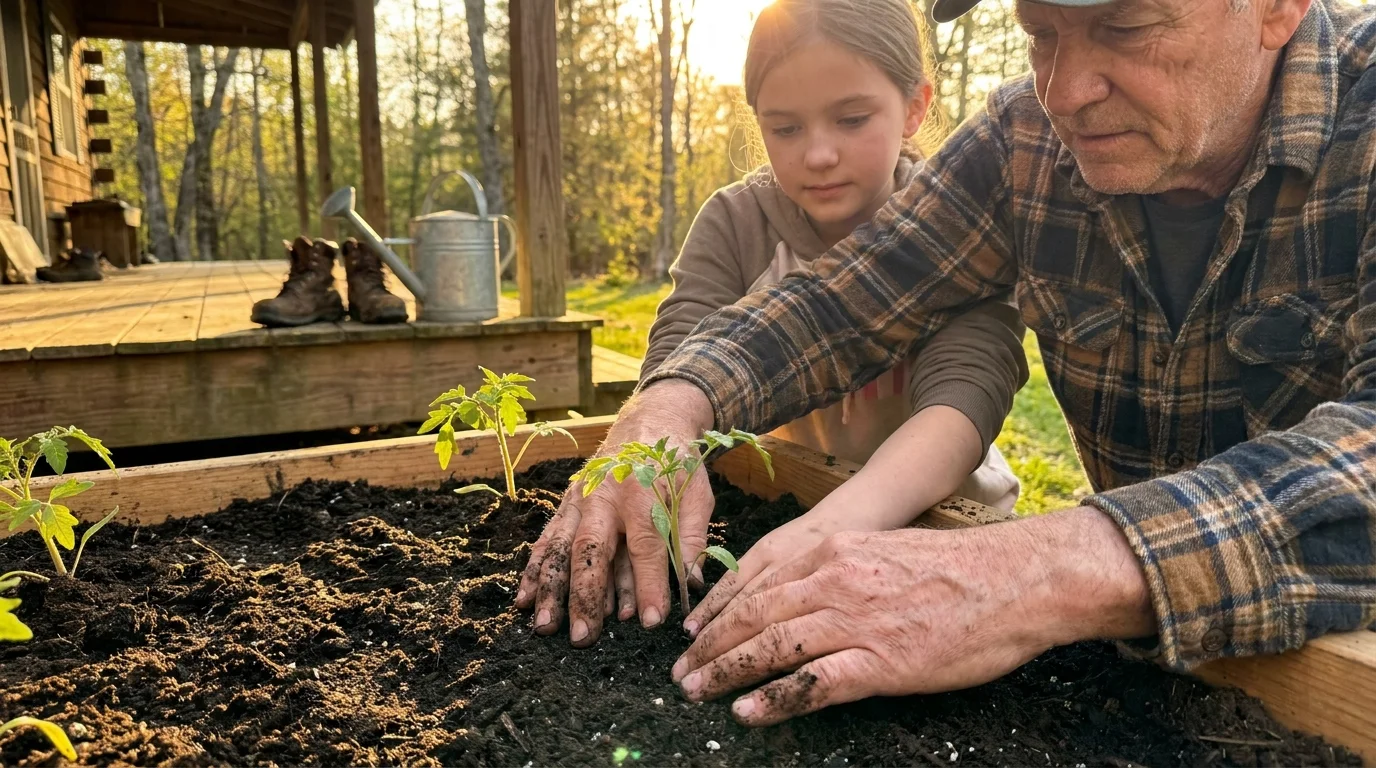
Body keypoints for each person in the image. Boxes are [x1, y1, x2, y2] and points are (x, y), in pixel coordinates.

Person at [527, 0, 1376, 728]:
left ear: (1275, 8)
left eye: (1125, 26)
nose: (1067, 91)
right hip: (1152, 672)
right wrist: (670, 404)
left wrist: (1034, 572)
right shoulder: (1023, 141)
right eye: (1040, 33)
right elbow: (845, 302)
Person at [624, 0, 1027, 627]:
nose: (818, 155)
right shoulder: (736, 223)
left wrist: (835, 527)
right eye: (785, 129)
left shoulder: (958, 225)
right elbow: (679, 353)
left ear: (915, 107)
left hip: (940, 521)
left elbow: (967, 391)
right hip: (784, 499)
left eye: (852, 119)